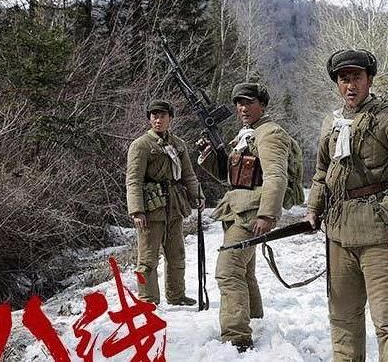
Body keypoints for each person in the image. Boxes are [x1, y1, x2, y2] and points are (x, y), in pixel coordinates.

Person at [303, 49, 388, 361]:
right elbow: (322, 171)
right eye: (343, 79)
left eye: (356, 78)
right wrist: (313, 209)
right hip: (339, 231)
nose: (350, 85)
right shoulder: (331, 123)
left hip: (380, 232)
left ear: (369, 80)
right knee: (343, 317)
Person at [198, 82, 302, 352]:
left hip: (251, 214)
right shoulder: (247, 135)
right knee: (244, 271)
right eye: (239, 103)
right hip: (238, 210)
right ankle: (255, 320)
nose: (243, 108)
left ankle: (236, 337)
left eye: (249, 102)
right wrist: (209, 156)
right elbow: (232, 177)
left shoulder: (269, 134)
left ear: (262, 105)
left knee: (228, 270)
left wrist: (267, 215)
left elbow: (276, 176)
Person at [126, 100, 204, 306]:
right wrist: (137, 210)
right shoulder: (141, 145)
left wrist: (197, 195)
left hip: (175, 206)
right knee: (147, 260)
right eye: (154, 116)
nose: (158, 120)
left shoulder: (178, 144)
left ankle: (176, 295)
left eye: (162, 116)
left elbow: (188, 174)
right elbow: (133, 180)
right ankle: (147, 300)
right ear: (149, 119)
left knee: (177, 255)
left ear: (170, 118)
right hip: (151, 209)